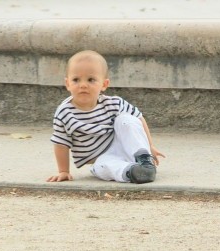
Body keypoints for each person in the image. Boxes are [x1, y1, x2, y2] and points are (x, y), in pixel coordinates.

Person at [47, 50, 165, 184]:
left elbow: (139, 118)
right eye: (76, 80)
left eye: (91, 80)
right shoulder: (64, 113)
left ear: (104, 84)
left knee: (126, 119)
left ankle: (144, 158)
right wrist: (63, 171)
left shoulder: (113, 103)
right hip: (100, 158)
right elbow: (61, 143)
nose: (83, 85)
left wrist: (149, 146)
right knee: (103, 167)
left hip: (126, 146)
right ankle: (133, 172)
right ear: (67, 84)